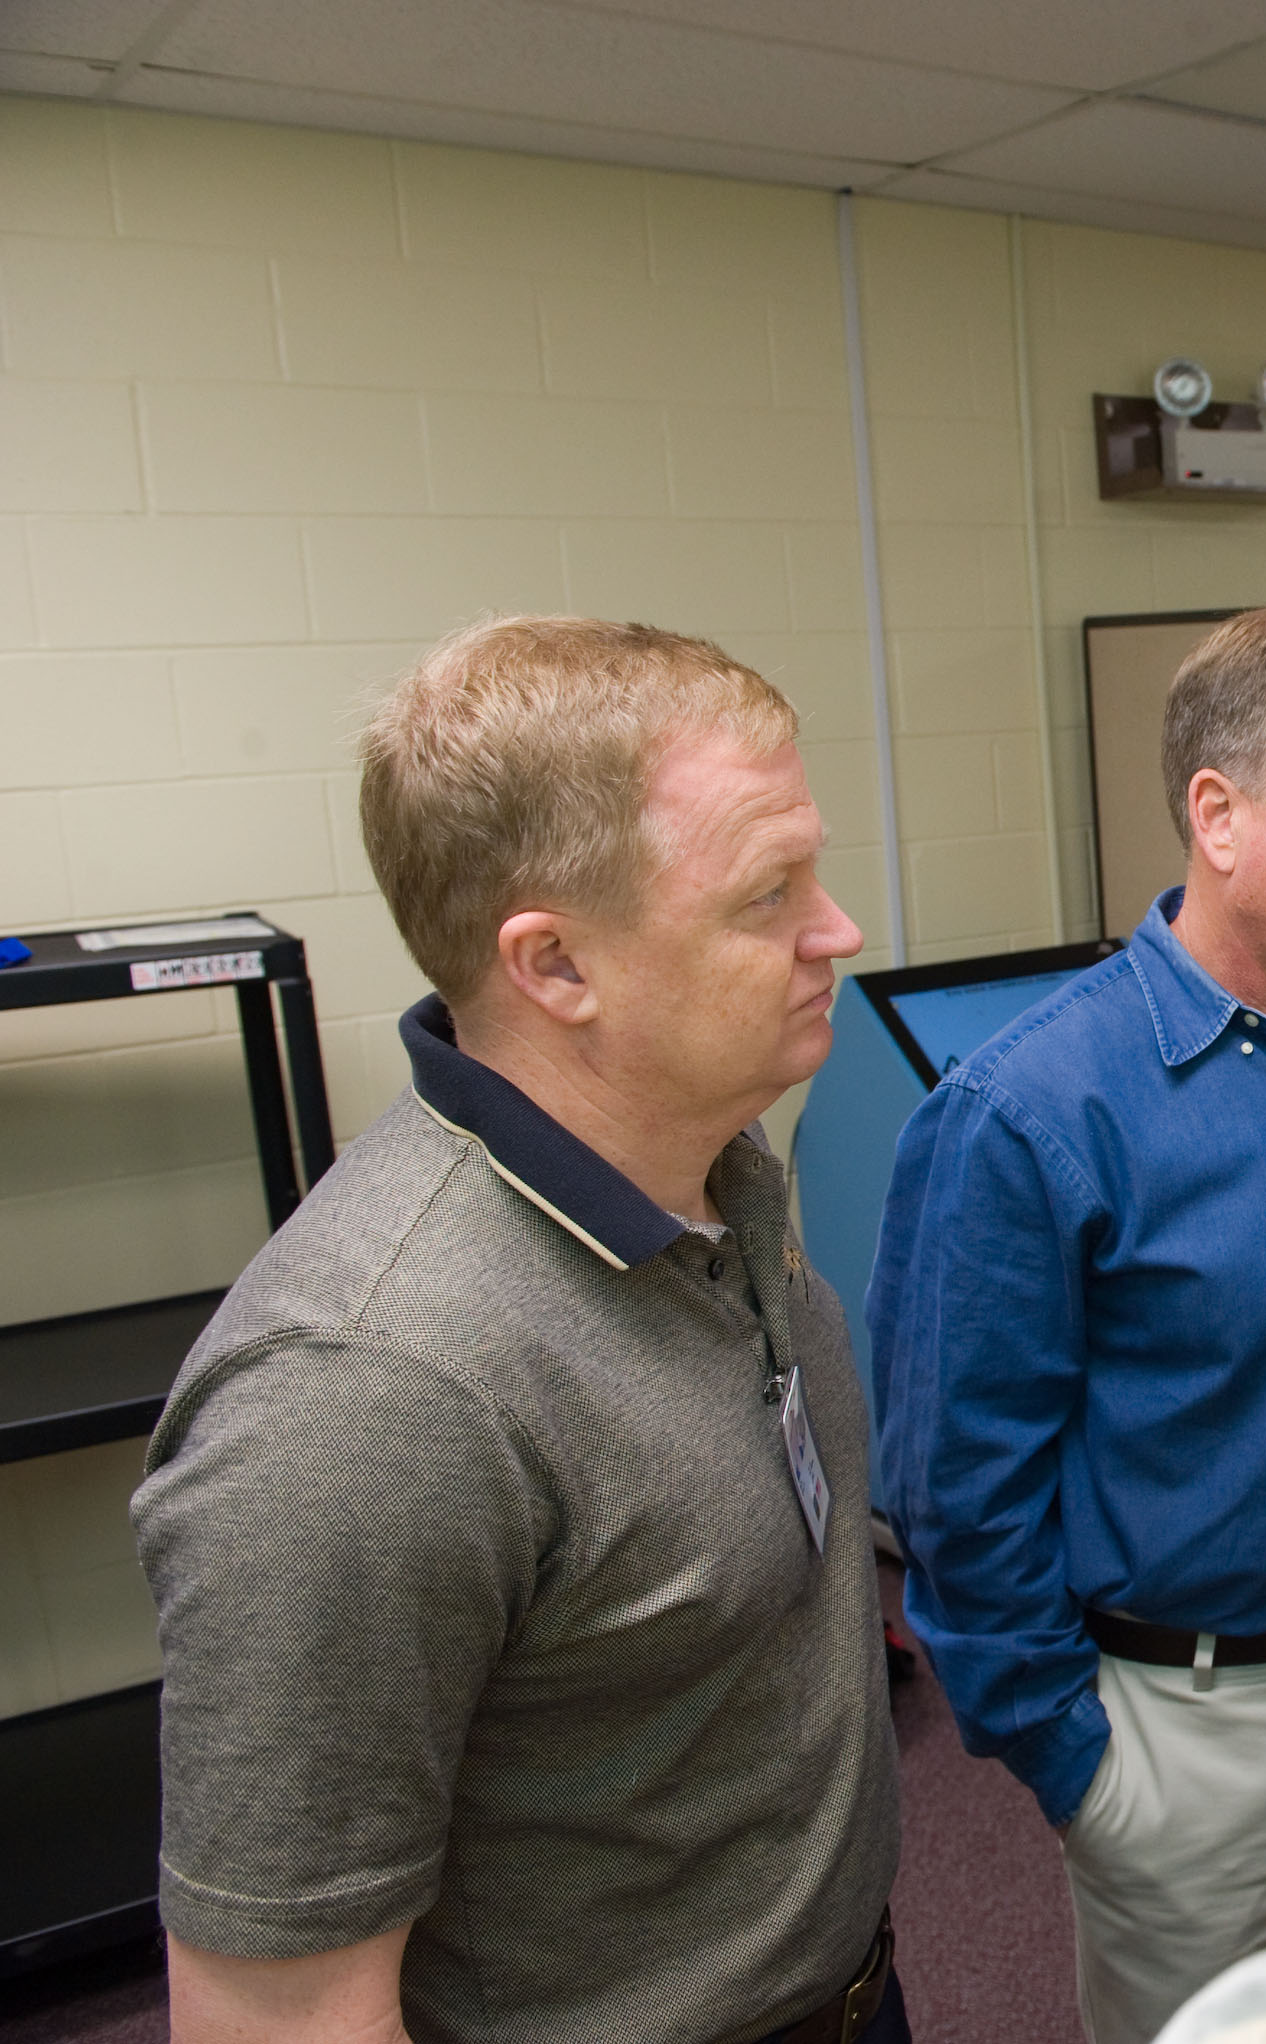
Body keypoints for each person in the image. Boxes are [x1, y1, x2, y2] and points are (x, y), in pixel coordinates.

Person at [132, 619, 906, 2041]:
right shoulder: (366, 1398)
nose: (837, 929)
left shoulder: (714, 1181)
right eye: (767, 894)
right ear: (554, 968)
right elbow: (277, 2013)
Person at [868, 604, 1266, 2044]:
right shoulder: (1029, 1111)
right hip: (1190, 1736)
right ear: (1217, 817)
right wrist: (1080, 1760)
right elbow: (959, 1489)